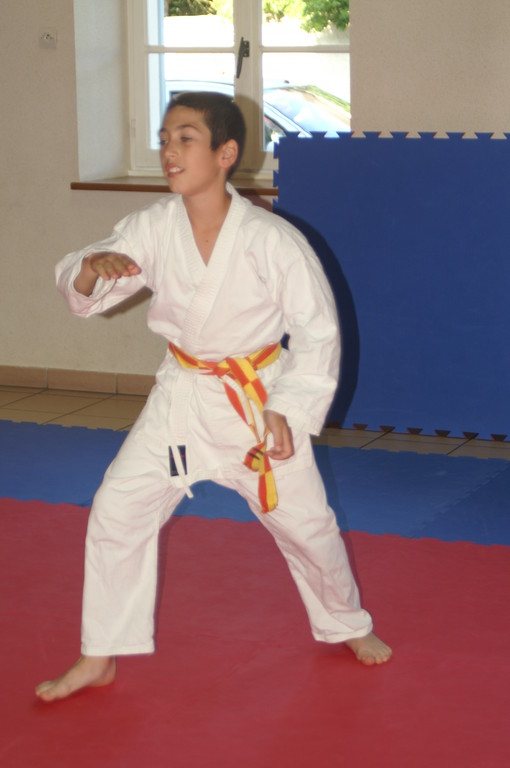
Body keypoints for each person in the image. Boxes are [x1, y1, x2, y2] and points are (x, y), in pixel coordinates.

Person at [36, 92, 391, 702]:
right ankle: (100, 653)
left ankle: (347, 623)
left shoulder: (272, 239)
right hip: (181, 397)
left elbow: (317, 330)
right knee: (118, 508)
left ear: (226, 154)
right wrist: (94, 266)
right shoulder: (152, 226)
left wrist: (288, 406)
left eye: (186, 138)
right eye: (164, 139)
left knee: (307, 525)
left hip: (256, 402)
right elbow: (83, 287)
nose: (169, 151)